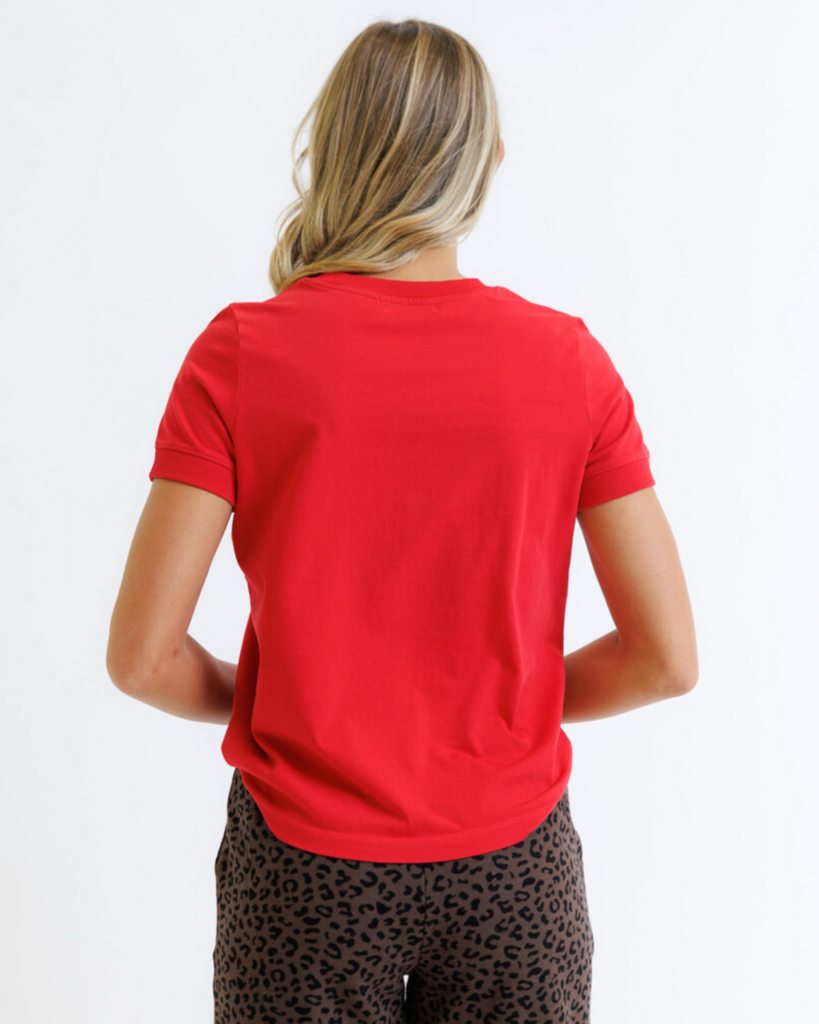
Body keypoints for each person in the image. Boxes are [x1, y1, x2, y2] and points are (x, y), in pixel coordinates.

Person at [106, 17, 698, 1024]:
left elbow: (143, 657)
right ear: (487, 161)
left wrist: (293, 699)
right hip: (514, 865)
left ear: (334, 145)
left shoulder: (243, 353)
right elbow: (666, 658)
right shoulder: (569, 363)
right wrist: (491, 708)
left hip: (303, 868)